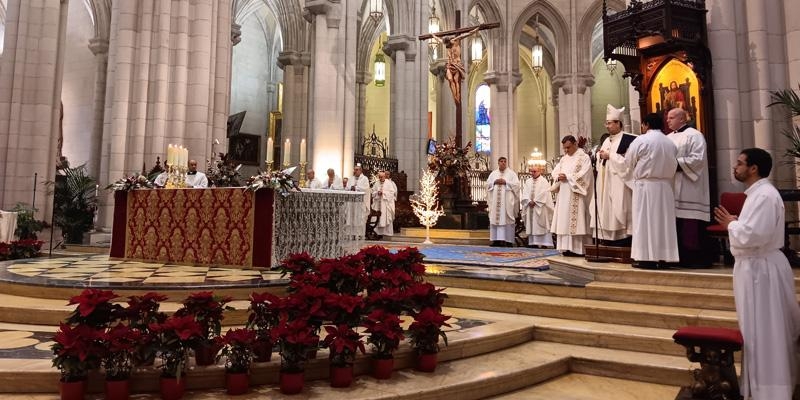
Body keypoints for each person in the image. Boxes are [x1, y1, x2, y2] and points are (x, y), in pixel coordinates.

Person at [713, 148, 800, 400]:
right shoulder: (758, 194)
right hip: (756, 267)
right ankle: (760, 388)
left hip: (761, 271)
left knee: (766, 330)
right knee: (756, 330)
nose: (735, 167)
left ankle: (772, 391)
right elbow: (753, 229)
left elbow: (754, 235)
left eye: (740, 163)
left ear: (753, 168)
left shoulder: (764, 195)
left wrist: (731, 224)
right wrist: (736, 222)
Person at [624, 113, 679, 269]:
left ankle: (645, 257)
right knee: (663, 223)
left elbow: (629, 161)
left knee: (644, 221)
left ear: (646, 124)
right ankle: (664, 257)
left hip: (646, 186)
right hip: (665, 187)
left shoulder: (641, 140)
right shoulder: (670, 142)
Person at [666, 108, 711, 267]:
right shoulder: (667, 138)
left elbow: (697, 159)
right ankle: (676, 258)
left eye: (671, 117)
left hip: (690, 187)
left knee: (690, 225)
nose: (668, 120)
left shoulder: (695, 135)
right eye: (667, 117)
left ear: (682, 119)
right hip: (672, 187)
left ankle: (694, 259)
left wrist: (674, 164)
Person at [592, 104, 636, 244]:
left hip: (619, 180)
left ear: (618, 123)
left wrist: (610, 155)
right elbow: (602, 160)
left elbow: (629, 163)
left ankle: (622, 238)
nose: (607, 126)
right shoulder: (606, 140)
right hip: (605, 180)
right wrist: (600, 156)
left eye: (609, 123)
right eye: (607, 123)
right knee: (606, 210)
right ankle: (607, 238)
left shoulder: (628, 139)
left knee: (619, 207)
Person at [550, 135, 593, 256]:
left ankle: (578, 249)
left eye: (568, 147)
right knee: (564, 222)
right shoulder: (564, 159)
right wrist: (558, 177)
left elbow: (585, 175)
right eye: (564, 148)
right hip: (563, 195)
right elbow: (555, 172)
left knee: (576, 222)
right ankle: (565, 248)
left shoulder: (583, 158)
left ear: (575, 144)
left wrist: (567, 177)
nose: (566, 150)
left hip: (576, 194)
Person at [429, 27, 479, 105]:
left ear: (449, 42)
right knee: (449, 79)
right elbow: (438, 40)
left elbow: (465, 35)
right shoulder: (446, 43)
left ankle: (457, 95)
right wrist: (432, 35)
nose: (447, 46)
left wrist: (474, 31)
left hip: (457, 65)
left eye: (447, 45)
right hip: (449, 65)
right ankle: (455, 96)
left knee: (456, 80)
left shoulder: (456, 41)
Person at [486, 157, 520, 247]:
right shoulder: (493, 174)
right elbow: (487, 185)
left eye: (505, 161)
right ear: (498, 163)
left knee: (507, 219)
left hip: (506, 202)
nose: (503, 163)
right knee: (495, 219)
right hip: (495, 203)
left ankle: (508, 241)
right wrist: (494, 182)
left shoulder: (511, 174)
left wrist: (506, 182)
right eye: (501, 161)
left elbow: (517, 185)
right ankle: (496, 240)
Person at [521, 164, 554, 248]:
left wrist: (535, 201)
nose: (532, 173)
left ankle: (544, 243)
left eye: (534, 171)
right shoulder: (528, 181)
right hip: (530, 207)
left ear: (540, 171)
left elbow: (544, 193)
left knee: (540, 225)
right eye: (531, 171)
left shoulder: (544, 181)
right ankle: (533, 243)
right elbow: (524, 193)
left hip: (540, 207)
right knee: (532, 224)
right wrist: (528, 201)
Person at [371, 170, 397, 239]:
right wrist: (377, 193)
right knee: (376, 217)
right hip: (378, 203)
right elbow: (372, 192)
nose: (380, 178)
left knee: (385, 218)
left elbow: (392, 193)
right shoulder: (376, 183)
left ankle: (386, 233)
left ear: (384, 177)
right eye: (379, 177)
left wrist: (384, 193)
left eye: (382, 177)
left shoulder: (389, 183)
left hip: (385, 204)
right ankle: (376, 233)